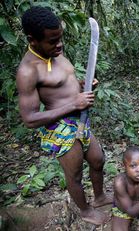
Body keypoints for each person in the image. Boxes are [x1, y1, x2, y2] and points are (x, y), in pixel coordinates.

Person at [16, 6, 112, 225]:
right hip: (59, 127)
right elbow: (29, 119)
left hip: (79, 118)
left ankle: (99, 198)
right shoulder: (28, 70)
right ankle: (86, 211)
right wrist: (72, 103)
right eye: (52, 41)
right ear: (33, 40)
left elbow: (61, 84)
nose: (59, 45)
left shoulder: (55, 52)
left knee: (98, 159)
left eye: (60, 38)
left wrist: (81, 86)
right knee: (75, 174)